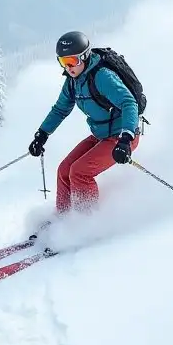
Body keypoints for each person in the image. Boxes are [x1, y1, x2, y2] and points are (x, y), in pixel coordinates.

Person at [28, 30, 140, 216]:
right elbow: (60, 109)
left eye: (72, 61)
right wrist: (42, 135)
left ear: (85, 57)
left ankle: (85, 223)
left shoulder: (102, 76)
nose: (68, 67)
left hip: (122, 137)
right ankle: (63, 220)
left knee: (80, 173)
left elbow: (129, 103)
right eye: (63, 62)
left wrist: (125, 139)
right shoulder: (73, 82)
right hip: (100, 135)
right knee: (64, 171)